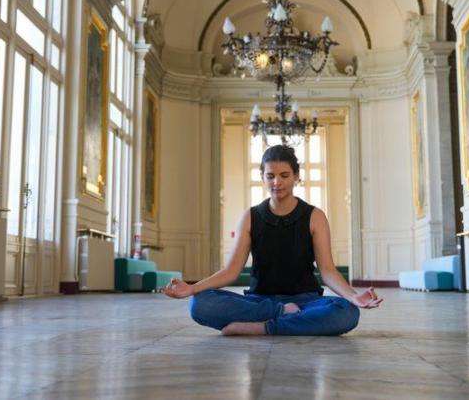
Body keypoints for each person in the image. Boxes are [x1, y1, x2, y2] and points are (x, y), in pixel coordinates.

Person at [161, 144, 382, 336]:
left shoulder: (315, 216)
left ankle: (262, 328)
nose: (277, 182)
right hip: (261, 302)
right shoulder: (250, 217)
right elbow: (231, 271)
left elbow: (327, 271)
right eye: (270, 176)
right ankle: (280, 317)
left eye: (284, 175)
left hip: (305, 301)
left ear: (296, 176)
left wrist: (354, 297)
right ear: (262, 177)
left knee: (347, 312)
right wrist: (192, 288)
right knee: (200, 304)